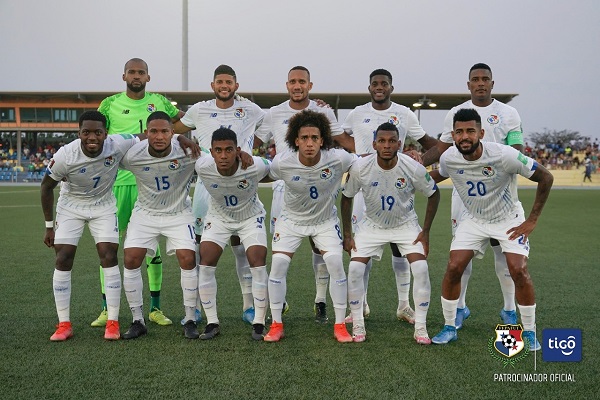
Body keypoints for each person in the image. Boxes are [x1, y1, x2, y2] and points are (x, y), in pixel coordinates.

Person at [429, 108, 553, 350]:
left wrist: (532, 220)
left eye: (470, 131)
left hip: (507, 219)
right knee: (454, 266)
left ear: (481, 133)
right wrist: (405, 174)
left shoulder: (503, 155)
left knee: (518, 270)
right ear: (453, 135)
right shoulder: (449, 157)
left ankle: (528, 331)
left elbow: (545, 177)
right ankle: (449, 326)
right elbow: (439, 175)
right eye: (459, 132)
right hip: (473, 220)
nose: (464, 137)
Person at [422, 63, 524, 329]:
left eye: (485, 79)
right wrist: (413, 166)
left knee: (504, 253)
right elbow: (442, 149)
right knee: (461, 253)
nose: (480, 83)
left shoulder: (508, 113)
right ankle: (460, 308)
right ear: (468, 85)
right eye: (475, 79)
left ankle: (509, 310)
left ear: (492, 83)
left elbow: (517, 148)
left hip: (501, 194)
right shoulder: (456, 113)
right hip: (465, 193)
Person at [253, 66, 355, 323]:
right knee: (282, 250)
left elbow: (342, 141)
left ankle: (320, 299)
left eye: (302, 81)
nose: (297, 86)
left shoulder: (323, 110)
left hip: (319, 183)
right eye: (293, 82)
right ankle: (279, 302)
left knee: (320, 246)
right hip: (284, 184)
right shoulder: (274, 113)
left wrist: (374, 153)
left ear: (310, 85)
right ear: (286, 85)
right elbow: (253, 141)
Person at [341, 68, 438, 324]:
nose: (379, 87)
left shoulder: (405, 113)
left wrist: (419, 161)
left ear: (391, 88)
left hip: (396, 185)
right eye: (375, 83)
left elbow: (431, 144)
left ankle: (404, 306)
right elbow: (338, 134)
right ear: (369, 87)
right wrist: (355, 156)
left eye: (384, 83)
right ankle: (360, 305)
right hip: (365, 186)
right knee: (362, 250)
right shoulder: (357, 113)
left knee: (399, 247)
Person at [95, 58, 186, 328]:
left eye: (141, 72)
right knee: (109, 248)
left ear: (148, 77)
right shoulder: (109, 104)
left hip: (150, 184)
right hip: (117, 183)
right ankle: (106, 309)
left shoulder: (160, 102)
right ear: (124, 76)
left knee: (152, 249)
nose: (136, 76)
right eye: (132, 72)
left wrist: (181, 138)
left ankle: (155, 308)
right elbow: (98, 136)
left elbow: (183, 123)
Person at [174, 65, 265, 325]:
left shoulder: (251, 109)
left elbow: (270, 126)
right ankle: (199, 308)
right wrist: (183, 140)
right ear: (213, 85)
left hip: (240, 182)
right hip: (208, 184)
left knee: (242, 249)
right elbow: (175, 128)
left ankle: (249, 306)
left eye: (229, 81)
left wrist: (248, 149)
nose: (224, 85)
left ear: (236, 85)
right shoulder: (199, 109)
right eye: (219, 82)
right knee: (202, 249)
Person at [41, 111, 139, 341]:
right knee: (63, 257)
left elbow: (146, 136)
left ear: (106, 133)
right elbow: (46, 187)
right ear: (79, 133)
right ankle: (64, 324)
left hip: (103, 206)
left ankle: (113, 322)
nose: (92, 137)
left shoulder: (117, 143)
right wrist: (48, 227)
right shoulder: (66, 155)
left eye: (98, 132)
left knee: (108, 255)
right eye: (86, 132)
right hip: (71, 206)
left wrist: (180, 138)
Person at [264, 110, 356, 343]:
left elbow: (363, 163)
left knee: (335, 264)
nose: (309, 143)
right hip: (291, 221)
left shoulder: (338, 158)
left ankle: (339, 325)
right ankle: (276, 324)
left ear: (322, 140)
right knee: (278, 266)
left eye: (314, 138)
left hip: (324, 221)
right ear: (296, 140)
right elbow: (264, 173)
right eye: (304, 138)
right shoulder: (283, 162)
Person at [119, 111, 199, 340]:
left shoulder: (187, 152)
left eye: (165, 131)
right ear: (146, 133)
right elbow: (108, 160)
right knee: (131, 258)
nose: (159, 136)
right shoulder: (133, 155)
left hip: (178, 212)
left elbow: (212, 163)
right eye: (153, 131)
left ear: (173, 133)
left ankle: (190, 318)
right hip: (146, 213)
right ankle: (137, 320)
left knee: (188, 257)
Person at [194, 127, 272, 341]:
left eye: (229, 150)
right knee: (206, 262)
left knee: (257, 261)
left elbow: (275, 169)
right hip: (218, 218)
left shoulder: (254, 165)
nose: (223, 155)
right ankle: (212, 322)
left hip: (250, 217)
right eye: (218, 150)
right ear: (211, 151)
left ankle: (258, 322)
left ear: (238, 150)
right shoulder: (203, 166)